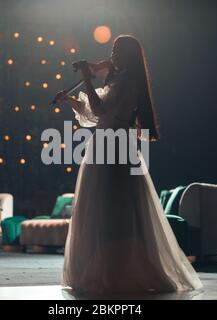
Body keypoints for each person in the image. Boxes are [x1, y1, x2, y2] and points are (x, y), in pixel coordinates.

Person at [55, 35, 202, 295]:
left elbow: (100, 111)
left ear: (129, 55)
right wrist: (70, 100)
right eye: (113, 50)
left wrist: (88, 78)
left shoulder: (128, 81)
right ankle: (100, 268)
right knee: (98, 208)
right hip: (102, 146)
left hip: (117, 149)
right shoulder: (116, 79)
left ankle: (119, 270)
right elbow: (92, 115)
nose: (113, 55)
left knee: (116, 209)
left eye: (117, 50)